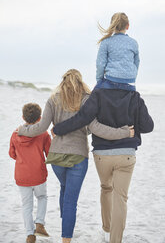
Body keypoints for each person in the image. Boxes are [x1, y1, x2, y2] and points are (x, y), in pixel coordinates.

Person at [17, 69, 134, 243]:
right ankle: (66, 239)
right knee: (71, 199)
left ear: (63, 82)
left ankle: (66, 221)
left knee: (66, 188)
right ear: (80, 82)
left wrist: (22, 130)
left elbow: (41, 127)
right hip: (78, 157)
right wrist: (124, 133)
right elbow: (96, 129)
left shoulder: (53, 99)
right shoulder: (87, 100)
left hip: (57, 157)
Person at [52, 87, 154, 243]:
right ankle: (115, 240)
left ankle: (106, 231)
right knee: (121, 198)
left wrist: (58, 129)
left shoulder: (98, 94)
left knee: (106, 188)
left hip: (102, 155)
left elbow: (82, 118)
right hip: (126, 154)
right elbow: (148, 126)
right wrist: (131, 126)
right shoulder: (135, 96)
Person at [9, 103, 51, 243]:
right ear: (40, 119)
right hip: (38, 174)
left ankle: (30, 234)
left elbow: (12, 154)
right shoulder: (43, 134)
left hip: (22, 175)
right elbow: (49, 153)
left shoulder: (15, 134)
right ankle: (39, 223)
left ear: (23, 117)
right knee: (42, 197)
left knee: (26, 204)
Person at [96, 12, 140, 91]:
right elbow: (136, 62)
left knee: (92, 100)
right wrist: (131, 77)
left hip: (110, 82)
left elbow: (100, 64)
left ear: (112, 25)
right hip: (130, 83)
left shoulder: (106, 42)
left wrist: (99, 81)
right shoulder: (133, 43)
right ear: (127, 26)